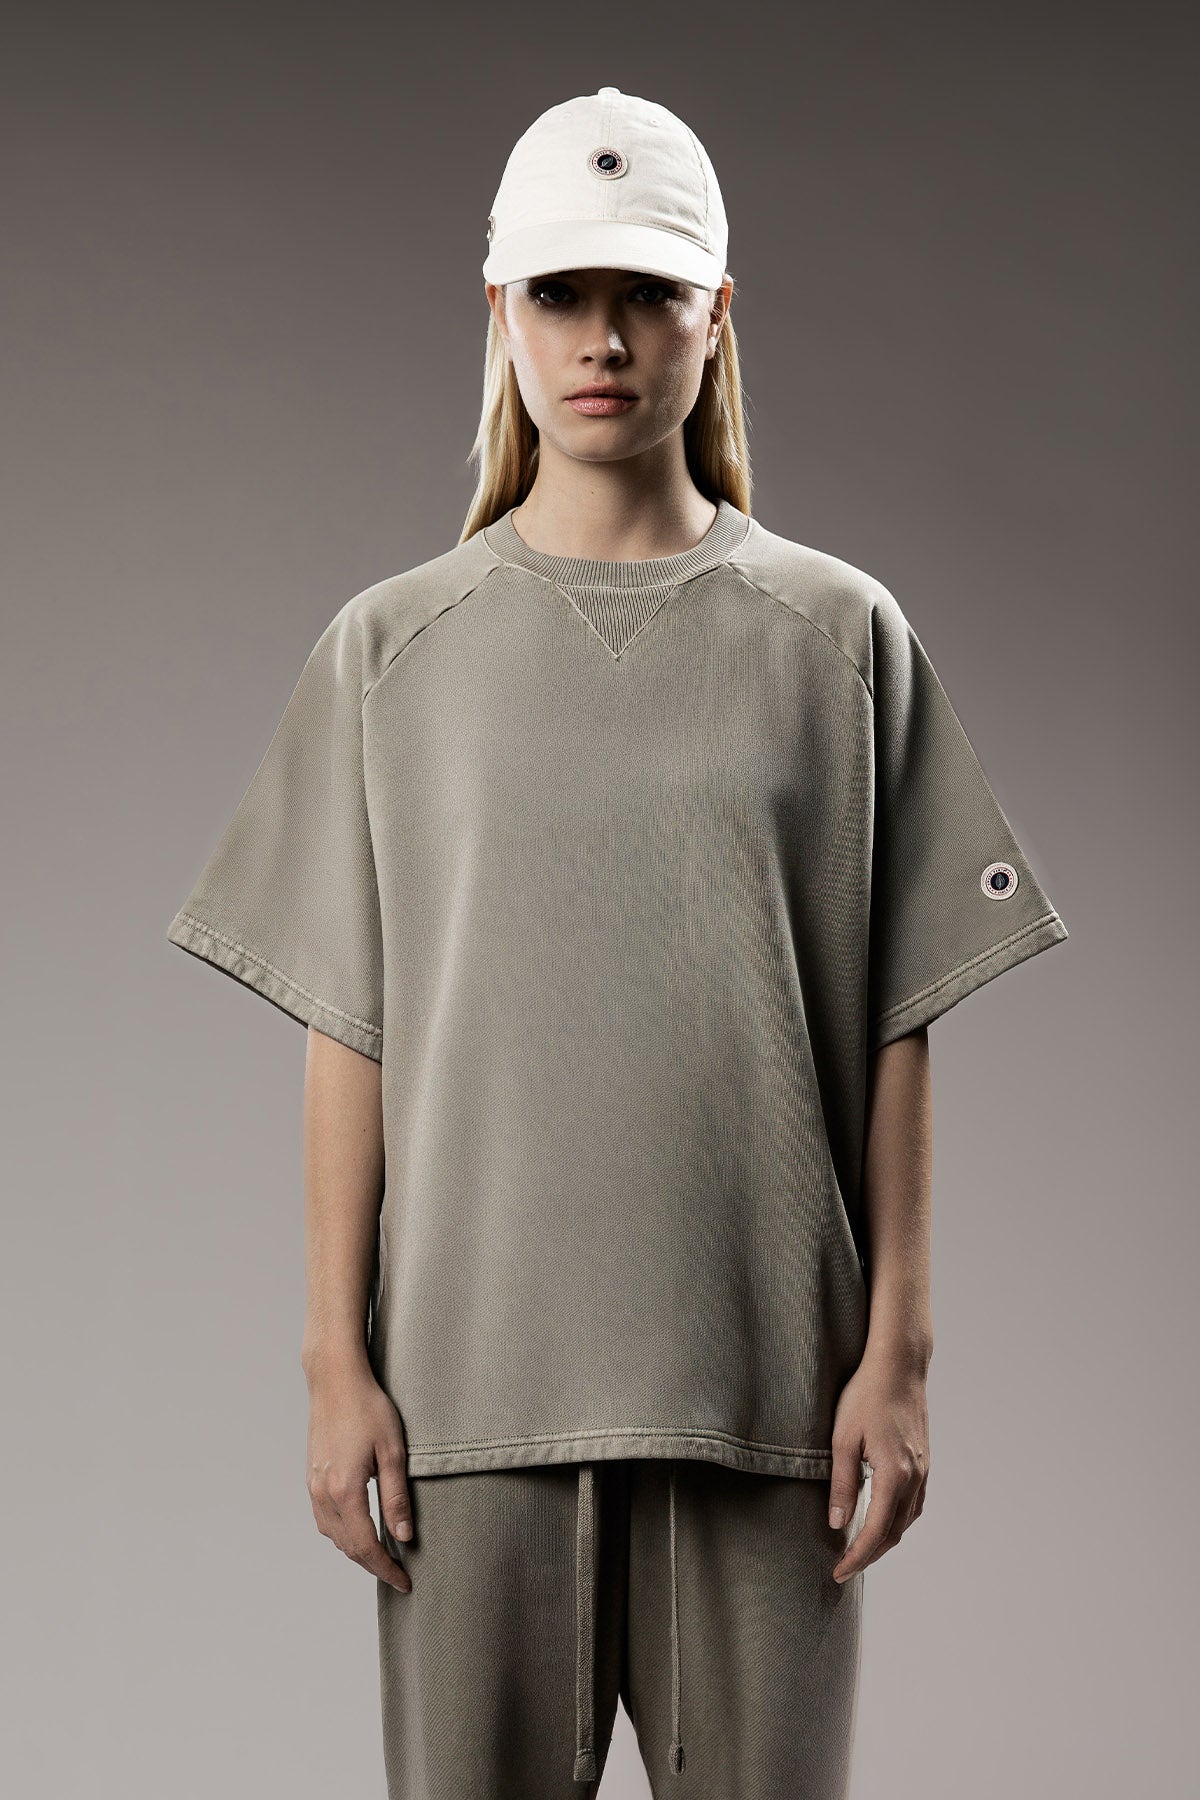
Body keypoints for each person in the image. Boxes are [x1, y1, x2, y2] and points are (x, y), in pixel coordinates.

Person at [166, 86, 1069, 1800]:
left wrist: (898, 1357)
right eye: (563, 294)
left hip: (770, 1400)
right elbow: (351, 1028)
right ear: (499, 313)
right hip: (466, 1409)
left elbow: (897, 1023)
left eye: (647, 294)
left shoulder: (840, 639)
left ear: (715, 315)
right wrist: (334, 1363)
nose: (603, 341)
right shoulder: (389, 655)